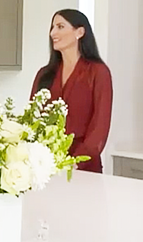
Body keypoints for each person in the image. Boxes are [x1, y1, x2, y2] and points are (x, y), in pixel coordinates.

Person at [30, 9, 112, 173]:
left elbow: (100, 125)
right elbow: (32, 120)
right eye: (52, 27)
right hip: (46, 167)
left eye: (60, 27)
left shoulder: (98, 72)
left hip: (83, 168)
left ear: (80, 32)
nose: (53, 33)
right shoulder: (44, 75)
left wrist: (74, 162)